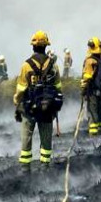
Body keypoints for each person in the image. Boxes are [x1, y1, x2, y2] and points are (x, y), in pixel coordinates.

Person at [13, 30, 62, 170]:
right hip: (47, 108)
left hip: (29, 107)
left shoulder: (26, 66)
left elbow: (21, 89)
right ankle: (45, 167)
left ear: (33, 46)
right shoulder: (54, 65)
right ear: (46, 46)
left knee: (26, 137)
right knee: (46, 138)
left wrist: (17, 104)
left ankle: (25, 169)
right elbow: (58, 88)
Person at [81, 37, 101, 137]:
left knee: (93, 115)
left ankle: (93, 138)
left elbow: (87, 77)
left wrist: (83, 90)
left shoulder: (90, 61)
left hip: (92, 93)